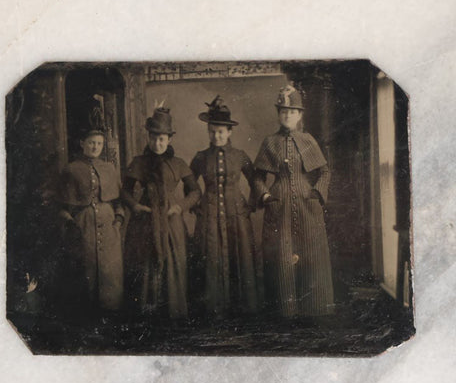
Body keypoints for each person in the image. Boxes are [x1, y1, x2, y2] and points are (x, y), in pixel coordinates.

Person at [253, 85, 334, 318]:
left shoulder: (308, 140)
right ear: (279, 114)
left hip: (308, 205)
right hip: (280, 207)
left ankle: (314, 310)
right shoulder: (270, 142)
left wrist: (317, 193)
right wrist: (266, 195)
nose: (287, 115)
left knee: (311, 256)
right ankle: (285, 312)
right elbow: (257, 177)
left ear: (300, 115)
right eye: (283, 111)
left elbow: (324, 171)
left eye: (292, 111)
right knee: (282, 259)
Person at [122, 106, 201, 320]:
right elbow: (125, 192)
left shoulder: (178, 163)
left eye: (162, 139)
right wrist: (136, 206)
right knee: (145, 264)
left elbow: (195, 191)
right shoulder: (139, 162)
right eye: (154, 138)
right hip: (145, 221)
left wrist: (180, 206)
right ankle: (148, 314)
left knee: (174, 262)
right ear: (148, 137)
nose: (158, 144)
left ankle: (173, 312)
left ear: (169, 140)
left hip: (171, 220)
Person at [189, 96, 258, 319]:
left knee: (240, 256)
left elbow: (255, 180)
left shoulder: (240, 157)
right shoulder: (200, 158)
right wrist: (197, 206)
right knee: (210, 257)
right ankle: (213, 309)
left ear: (229, 132)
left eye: (220, 132)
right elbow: (189, 185)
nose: (216, 136)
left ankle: (242, 309)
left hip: (236, 215)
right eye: (212, 132)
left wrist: (250, 206)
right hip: (209, 215)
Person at [58, 130, 125, 312]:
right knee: (86, 272)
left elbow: (119, 202)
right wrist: (72, 224)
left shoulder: (109, 168)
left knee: (110, 272)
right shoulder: (71, 169)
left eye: (99, 144)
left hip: (110, 226)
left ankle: (111, 313)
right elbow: (62, 206)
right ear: (82, 143)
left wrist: (118, 221)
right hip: (84, 226)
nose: (95, 147)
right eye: (91, 143)